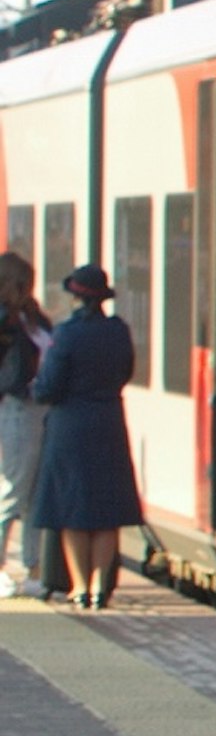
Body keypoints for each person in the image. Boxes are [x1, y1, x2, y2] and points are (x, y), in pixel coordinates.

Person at [30, 264, 142, 611]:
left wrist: (35, 389)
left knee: (72, 509)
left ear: (76, 296)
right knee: (105, 511)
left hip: (70, 427)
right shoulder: (118, 331)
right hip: (109, 422)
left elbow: (49, 385)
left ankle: (78, 586)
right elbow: (126, 372)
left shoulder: (66, 334)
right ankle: (98, 587)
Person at [0, 253, 49, 597]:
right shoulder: (5, 321)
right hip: (16, 407)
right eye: (22, 283)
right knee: (11, 489)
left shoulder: (33, 316)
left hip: (41, 409)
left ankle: (33, 567)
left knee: (34, 493)